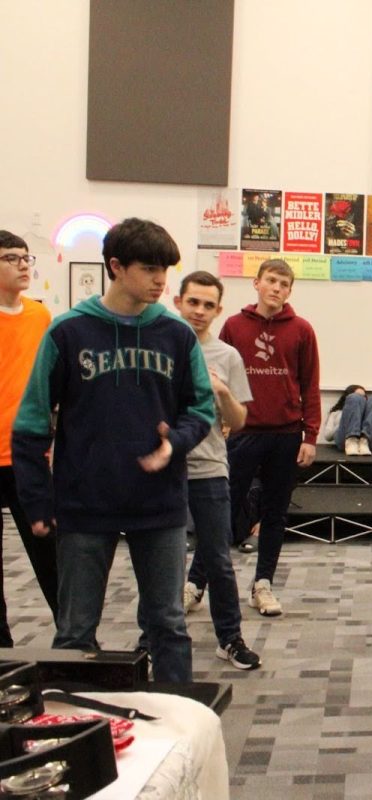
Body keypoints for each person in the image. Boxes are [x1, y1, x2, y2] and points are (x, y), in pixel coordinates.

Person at [12, 218, 214, 682]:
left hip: (159, 504)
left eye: (165, 269)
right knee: (75, 632)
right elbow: (30, 424)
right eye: (149, 269)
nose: (161, 280)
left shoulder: (176, 335)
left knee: (167, 624)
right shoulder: (69, 332)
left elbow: (201, 410)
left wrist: (175, 444)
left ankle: (177, 727)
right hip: (85, 505)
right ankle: (75, 737)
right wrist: (38, 501)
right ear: (116, 267)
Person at [171, 270, 261, 670]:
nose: (200, 311)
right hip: (162, 471)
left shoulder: (227, 356)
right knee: (157, 558)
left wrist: (222, 391)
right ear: (178, 302)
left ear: (218, 310)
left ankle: (230, 638)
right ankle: (150, 636)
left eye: (209, 305)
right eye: (193, 302)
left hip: (208, 466)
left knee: (217, 559)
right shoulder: (159, 345)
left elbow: (239, 420)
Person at [220, 258, 320, 616]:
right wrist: (220, 422)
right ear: (257, 283)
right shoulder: (233, 326)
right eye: (272, 281)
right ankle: (197, 583)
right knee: (222, 511)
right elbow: (220, 376)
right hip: (243, 432)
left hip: (286, 435)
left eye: (284, 284)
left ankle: (263, 584)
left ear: (290, 291)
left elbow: (310, 384)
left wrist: (311, 435)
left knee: (275, 514)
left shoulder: (302, 330)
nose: (277, 288)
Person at [0, 231, 58, 644]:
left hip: (28, 455)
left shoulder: (41, 316)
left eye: (26, 257)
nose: (23, 265)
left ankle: (73, 636)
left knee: (51, 554)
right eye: (11, 258)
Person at [322, 384, 372, 456]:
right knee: (355, 398)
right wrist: (345, 421)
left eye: (363, 397)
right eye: (359, 397)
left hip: (367, 444)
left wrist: (366, 428)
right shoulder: (336, 413)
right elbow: (327, 436)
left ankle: (364, 440)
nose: (361, 400)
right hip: (345, 441)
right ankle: (351, 439)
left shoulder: (370, 414)